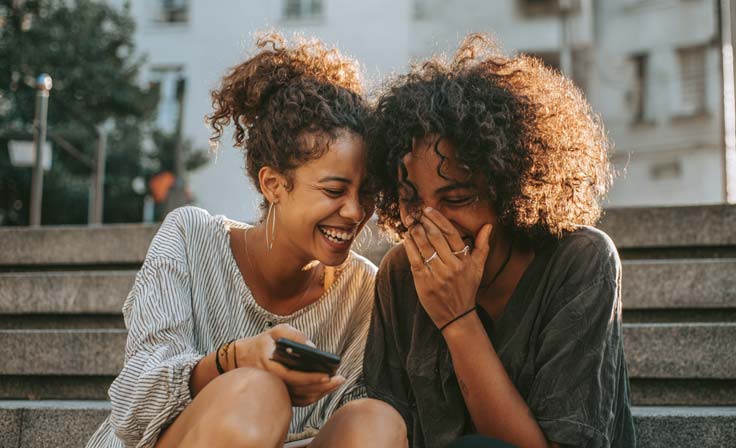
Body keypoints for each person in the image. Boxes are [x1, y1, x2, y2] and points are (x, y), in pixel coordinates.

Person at [86, 32, 405, 448]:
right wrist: (235, 360)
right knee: (256, 392)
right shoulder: (190, 236)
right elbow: (135, 405)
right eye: (333, 190)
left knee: (377, 421)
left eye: (365, 194)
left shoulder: (364, 288)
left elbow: (352, 420)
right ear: (273, 184)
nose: (355, 211)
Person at [363, 34, 638, 448]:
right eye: (411, 201)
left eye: (456, 198)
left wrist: (457, 320)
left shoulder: (581, 261)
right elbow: (381, 427)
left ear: (510, 190)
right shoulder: (399, 274)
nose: (430, 221)